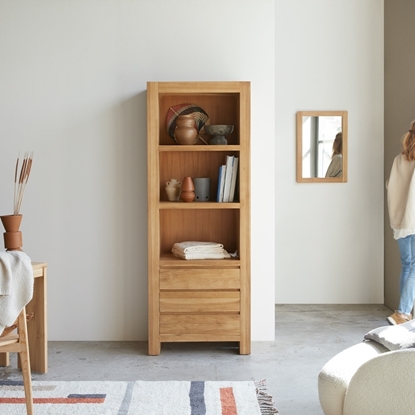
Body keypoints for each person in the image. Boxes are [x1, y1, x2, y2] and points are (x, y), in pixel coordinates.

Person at [386, 119, 415, 325]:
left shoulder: (399, 159)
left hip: (400, 220)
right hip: (413, 218)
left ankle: (404, 312)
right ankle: (403, 313)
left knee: (407, 265)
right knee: (413, 267)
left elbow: (390, 185)